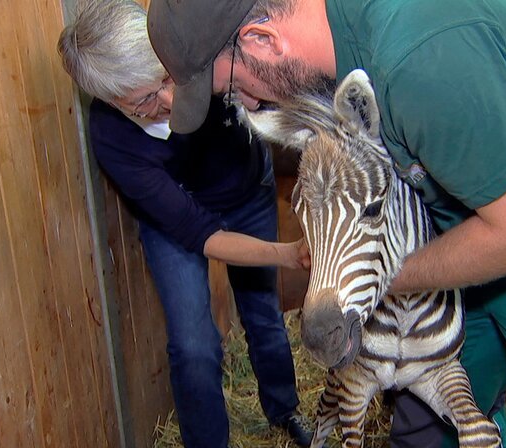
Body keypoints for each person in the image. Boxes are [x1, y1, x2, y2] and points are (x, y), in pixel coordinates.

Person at [147, 0, 506, 447]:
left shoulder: (418, 57)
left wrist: (382, 275)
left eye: (234, 86)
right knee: (429, 428)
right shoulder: (341, 44)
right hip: (476, 223)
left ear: (263, 40)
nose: (247, 103)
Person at [56, 1, 314, 447]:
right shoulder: (113, 139)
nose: (172, 101)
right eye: (143, 101)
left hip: (246, 187)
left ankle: (284, 409)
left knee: (264, 315)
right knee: (193, 345)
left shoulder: (197, 55)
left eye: (164, 79)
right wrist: (287, 253)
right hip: (180, 219)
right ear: (112, 101)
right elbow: (203, 235)